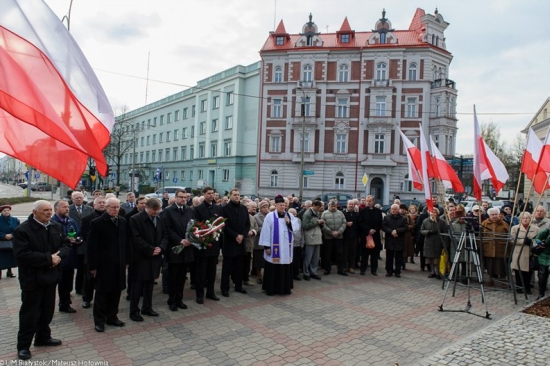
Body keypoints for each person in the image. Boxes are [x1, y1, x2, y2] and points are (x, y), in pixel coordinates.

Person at [13, 200, 71, 360]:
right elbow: (22, 255)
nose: (48, 213)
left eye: (50, 210)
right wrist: (48, 259)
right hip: (32, 279)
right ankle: (23, 346)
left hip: (51, 276)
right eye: (45, 210)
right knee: (29, 314)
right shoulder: (23, 230)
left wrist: (58, 256)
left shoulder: (55, 226)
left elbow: (66, 244)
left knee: (47, 310)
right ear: (35, 212)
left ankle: (43, 337)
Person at [87, 198, 129, 332]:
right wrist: (92, 267)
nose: (116, 210)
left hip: (119, 264)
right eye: (113, 207)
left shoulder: (122, 221)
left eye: (117, 207)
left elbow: (126, 242)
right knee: (102, 294)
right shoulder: (97, 222)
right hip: (104, 265)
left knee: (116, 292)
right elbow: (91, 246)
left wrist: (126, 260)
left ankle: (112, 317)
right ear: (106, 207)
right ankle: (99, 321)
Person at [129, 198, 168, 321]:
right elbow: (135, 239)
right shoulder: (135, 219)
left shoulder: (160, 218)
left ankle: (147, 307)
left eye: (158, 210)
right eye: (154, 210)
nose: (156, 212)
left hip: (155, 257)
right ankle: (134, 311)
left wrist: (161, 248)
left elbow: (165, 235)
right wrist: (150, 249)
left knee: (150, 284)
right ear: (147, 207)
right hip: (141, 258)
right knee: (137, 286)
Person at [160, 189, 195, 309]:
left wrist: (192, 238)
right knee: (173, 277)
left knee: (182, 277)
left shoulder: (189, 210)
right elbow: (167, 229)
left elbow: (193, 226)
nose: (183, 199)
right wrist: (179, 240)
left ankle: (179, 299)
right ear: (175, 197)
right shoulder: (168, 211)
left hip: (187, 249)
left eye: (185, 197)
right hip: (175, 249)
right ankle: (172, 301)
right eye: (181, 197)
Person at [259, 195, 298, 295]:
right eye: (280, 205)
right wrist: (266, 247)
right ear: (276, 205)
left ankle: (284, 289)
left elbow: (296, 227)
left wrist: (289, 223)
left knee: (285, 267)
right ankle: (271, 289)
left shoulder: (289, 215)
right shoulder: (270, 216)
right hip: (274, 248)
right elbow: (265, 232)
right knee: (273, 267)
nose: (283, 207)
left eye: (284, 205)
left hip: (286, 248)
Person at [51, 200, 81, 313]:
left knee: (67, 284)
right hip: (57, 259)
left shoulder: (71, 221)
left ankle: (65, 304)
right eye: (64, 207)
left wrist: (78, 240)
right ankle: (48, 308)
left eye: (67, 207)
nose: (67, 209)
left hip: (70, 258)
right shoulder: (52, 222)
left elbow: (78, 233)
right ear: (56, 209)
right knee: (53, 285)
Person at [193, 186, 222, 302]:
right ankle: (199, 295)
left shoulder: (217, 208)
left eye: (212, 193)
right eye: (209, 193)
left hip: (214, 244)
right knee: (201, 272)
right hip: (203, 245)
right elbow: (196, 226)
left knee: (212, 271)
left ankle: (211, 292)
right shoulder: (198, 209)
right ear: (204, 194)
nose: (211, 195)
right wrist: (202, 236)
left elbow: (220, 223)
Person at [220, 188, 250, 297]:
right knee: (227, 268)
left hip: (241, 241)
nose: (237, 196)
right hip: (229, 242)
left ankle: (238, 286)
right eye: (235, 195)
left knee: (239, 267)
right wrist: (235, 235)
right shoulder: (225, 209)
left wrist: (242, 235)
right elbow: (224, 225)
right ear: (230, 196)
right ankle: (225, 288)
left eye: (238, 195)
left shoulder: (243, 208)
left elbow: (247, 224)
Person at [80, 196, 107, 309]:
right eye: (99, 203)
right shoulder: (87, 218)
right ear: (94, 205)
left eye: (103, 203)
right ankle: (87, 298)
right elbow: (86, 235)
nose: (101, 204)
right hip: (93, 252)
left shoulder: (111, 217)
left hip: (107, 253)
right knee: (89, 277)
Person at [69, 191, 93, 296]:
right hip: (72, 241)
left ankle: (81, 288)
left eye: (80, 197)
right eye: (76, 198)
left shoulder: (89, 209)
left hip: (85, 242)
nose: (79, 199)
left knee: (83, 268)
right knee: (74, 267)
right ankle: (74, 288)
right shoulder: (69, 209)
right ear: (72, 199)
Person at [510, 212, 539, 295]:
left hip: (530, 253)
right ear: (520, 219)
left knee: (528, 272)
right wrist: (523, 241)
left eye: (527, 218)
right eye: (523, 218)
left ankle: (527, 288)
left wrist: (531, 242)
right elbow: (512, 239)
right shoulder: (515, 228)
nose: (525, 219)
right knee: (518, 272)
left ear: (530, 219)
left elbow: (538, 240)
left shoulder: (536, 229)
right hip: (519, 252)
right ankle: (519, 287)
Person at [481, 207, 510, 286]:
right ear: (489, 215)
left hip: (501, 248)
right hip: (488, 248)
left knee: (501, 266)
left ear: (499, 215)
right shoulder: (484, 223)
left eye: (496, 214)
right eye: (492, 214)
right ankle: (491, 279)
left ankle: (503, 280)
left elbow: (509, 236)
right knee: (490, 265)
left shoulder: (504, 224)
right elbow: (481, 235)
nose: (494, 216)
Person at [357, 195, 383, 276]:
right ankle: (363, 269)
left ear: (373, 201)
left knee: (374, 254)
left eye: (370, 201)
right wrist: (368, 230)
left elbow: (380, 223)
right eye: (367, 201)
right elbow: (360, 222)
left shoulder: (378, 211)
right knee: (364, 254)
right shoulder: (362, 211)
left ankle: (374, 270)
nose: (368, 202)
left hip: (375, 235)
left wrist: (374, 230)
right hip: (365, 235)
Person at [321, 200, 347, 276]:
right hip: (328, 237)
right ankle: (327, 269)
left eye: (334, 206)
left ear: (336, 206)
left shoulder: (340, 213)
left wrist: (339, 232)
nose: (333, 207)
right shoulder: (324, 213)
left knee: (339, 254)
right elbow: (322, 225)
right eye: (331, 206)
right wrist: (330, 232)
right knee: (328, 254)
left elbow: (344, 223)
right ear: (328, 205)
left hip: (339, 237)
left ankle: (340, 270)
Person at [420, 208, 448, 279]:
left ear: (437, 213)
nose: (433, 214)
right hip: (429, 242)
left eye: (435, 212)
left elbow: (445, 232)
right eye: (432, 212)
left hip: (438, 242)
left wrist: (444, 243)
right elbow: (421, 230)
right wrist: (428, 232)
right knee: (430, 259)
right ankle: (432, 272)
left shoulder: (442, 222)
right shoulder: (425, 221)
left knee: (437, 259)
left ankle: (438, 272)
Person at [381, 204, 407, 278]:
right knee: (389, 257)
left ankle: (397, 271)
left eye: (395, 209)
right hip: (390, 239)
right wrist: (391, 231)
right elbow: (383, 227)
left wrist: (397, 231)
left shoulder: (403, 218)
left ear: (398, 210)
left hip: (399, 240)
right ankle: (389, 271)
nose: (393, 210)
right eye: (392, 209)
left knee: (399, 257)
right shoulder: (386, 218)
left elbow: (405, 228)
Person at [301, 200, 324, 281]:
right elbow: (305, 226)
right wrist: (317, 222)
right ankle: (306, 273)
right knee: (308, 257)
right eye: (317, 207)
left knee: (315, 257)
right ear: (313, 205)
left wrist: (321, 223)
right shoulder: (307, 214)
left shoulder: (317, 213)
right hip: (310, 238)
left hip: (317, 237)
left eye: (319, 207)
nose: (318, 209)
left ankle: (313, 272)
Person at [0, 205, 19, 280]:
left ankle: (9, 271)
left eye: (8, 210)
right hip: (1, 242)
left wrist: (12, 235)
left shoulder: (14, 220)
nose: (6, 212)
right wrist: (4, 235)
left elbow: (18, 229)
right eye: (4, 211)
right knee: (1, 258)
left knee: (11, 257)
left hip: (12, 241)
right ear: (1, 212)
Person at [252, 201, 269, 284]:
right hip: (258, 241)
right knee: (258, 261)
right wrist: (265, 228)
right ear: (260, 208)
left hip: (268, 242)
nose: (266, 209)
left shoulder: (270, 216)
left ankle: (266, 276)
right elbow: (255, 228)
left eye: (267, 207)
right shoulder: (256, 217)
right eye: (264, 207)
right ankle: (259, 276)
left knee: (267, 260)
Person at [244, 201, 258, 286]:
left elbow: (256, 227)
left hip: (249, 243)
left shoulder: (252, 217)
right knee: (239, 264)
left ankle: (246, 279)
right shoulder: (240, 216)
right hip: (241, 243)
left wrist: (253, 232)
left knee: (247, 263)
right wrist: (246, 233)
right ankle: (236, 280)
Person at [342, 200, 359, 274]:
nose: (351, 205)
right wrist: (346, 223)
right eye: (350, 204)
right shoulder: (343, 214)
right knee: (344, 253)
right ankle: (343, 267)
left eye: (352, 204)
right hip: (345, 236)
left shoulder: (357, 214)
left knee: (352, 253)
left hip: (354, 236)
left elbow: (359, 225)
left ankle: (351, 267)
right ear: (347, 205)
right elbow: (340, 222)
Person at [535, 228, 550, 300]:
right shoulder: (546, 231)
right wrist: (540, 243)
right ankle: (541, 294)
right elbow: (537, 238)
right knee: (542, 275)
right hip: (543, 255)